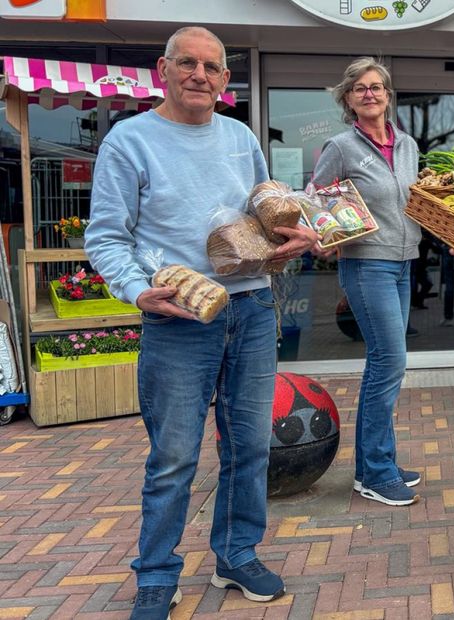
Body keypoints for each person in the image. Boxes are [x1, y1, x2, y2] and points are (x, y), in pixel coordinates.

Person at [85, 26, 317, 619]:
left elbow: (263, 214)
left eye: (212, 67)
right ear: (163, 70)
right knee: (174, 456)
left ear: (224, 78)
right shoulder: (129, 140)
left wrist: (289, 238)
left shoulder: (240, 137)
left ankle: (236, 554)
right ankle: (158, 574)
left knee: (250, 447)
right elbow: (107, 237)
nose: (200, 76)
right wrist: (139, 292)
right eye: (187, 63)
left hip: (252, 308)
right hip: (178, 314)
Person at [312, 57, 423, 506]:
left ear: (387, 94)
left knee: (389, 364)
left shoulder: (409, 145)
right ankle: (375, 473)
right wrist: (327, 231)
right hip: (365, 263)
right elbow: (317, 198)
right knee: (388, 362)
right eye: (360, 88)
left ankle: (378, 463)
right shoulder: (340, 146)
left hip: (404, 262)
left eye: (377, 86)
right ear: (348, 99)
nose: (370, 94)